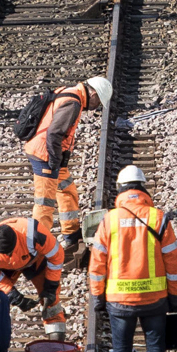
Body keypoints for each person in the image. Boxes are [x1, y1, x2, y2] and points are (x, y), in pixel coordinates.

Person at [88, 165, 177, 352]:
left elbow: (97, 263)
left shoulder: (109, 219)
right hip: (155, 300)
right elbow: (173, 261)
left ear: (120, 189)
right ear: (142, 189)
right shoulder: (158, 217)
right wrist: (174, 296)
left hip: (119, 301)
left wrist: (97, 295)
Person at [24, 77, 112, 250]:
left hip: (49, 153)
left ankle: (71, 234)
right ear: (93, 94)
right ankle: (37, 244)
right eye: (98, 102)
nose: (96, 106)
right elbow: (54, 133)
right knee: (45, 202)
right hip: (45, 155)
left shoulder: (70, 93)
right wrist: (55, 161)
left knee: (66, 189)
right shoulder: (73, 103)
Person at [0, 217, 67, 340]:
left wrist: (51, 286)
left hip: (35, 260)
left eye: (10, 252)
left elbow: (56, 256)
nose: (9, 256)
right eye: (5, 254)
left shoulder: (35, 233)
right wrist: (14, 296)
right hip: (5, 269)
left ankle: (57, 337)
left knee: (50, 300)